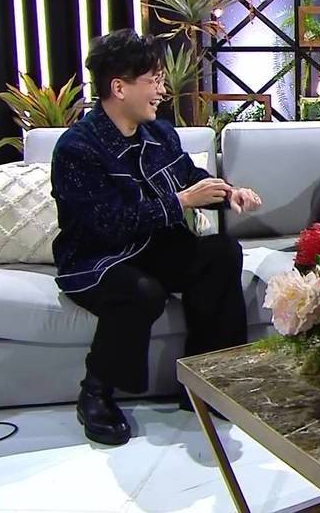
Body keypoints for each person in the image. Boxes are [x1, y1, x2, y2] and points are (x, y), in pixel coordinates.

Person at [51, 29, 263, 446]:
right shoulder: (77, 148)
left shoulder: (160, 134)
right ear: (119, 88)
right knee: (141, 292)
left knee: (221, 252)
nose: (162, 92)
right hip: (98, 258)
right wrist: (181, 201)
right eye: (153, 81)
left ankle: (204, 380)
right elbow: (107, 224)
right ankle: (95, 393)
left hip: (153, 245)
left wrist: (227, 192)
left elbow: (189, 176)